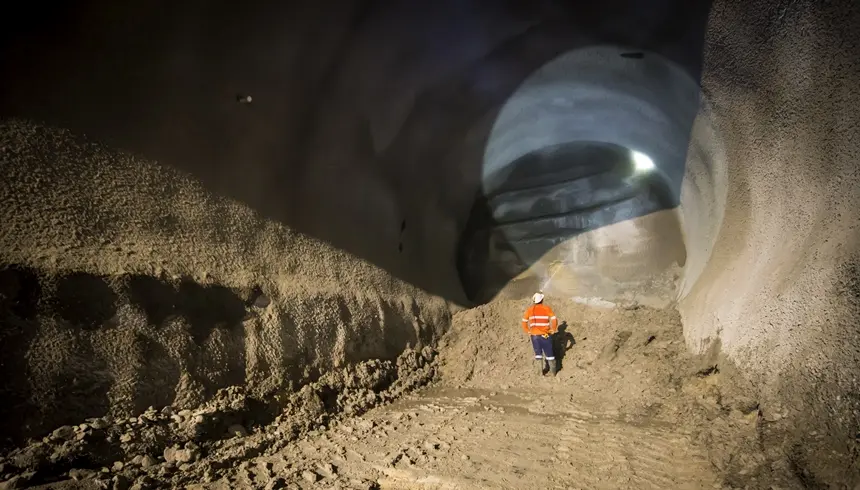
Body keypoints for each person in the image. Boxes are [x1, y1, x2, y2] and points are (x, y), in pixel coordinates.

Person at [521, 292, 559, 376]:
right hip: (545, 335)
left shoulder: (529, 310)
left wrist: (528, 331)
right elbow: (554, 319)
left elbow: (524, 322)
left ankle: (540, 373)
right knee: (549, 354)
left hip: (534, 336)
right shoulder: (546, 308)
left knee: (538, 354)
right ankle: (553, 373)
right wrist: (553, 329)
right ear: (542, 300)